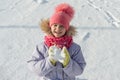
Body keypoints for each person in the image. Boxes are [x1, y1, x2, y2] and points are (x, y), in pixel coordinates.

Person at [27, 3, 86, 80]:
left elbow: (79, 70)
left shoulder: (74, 48)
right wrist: (50, 61)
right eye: (55, 25)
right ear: (50, 26)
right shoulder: (41, 47)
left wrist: (67, 62)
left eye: (62, 26)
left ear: (67, 29)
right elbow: (34, 68)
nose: (58, 29)